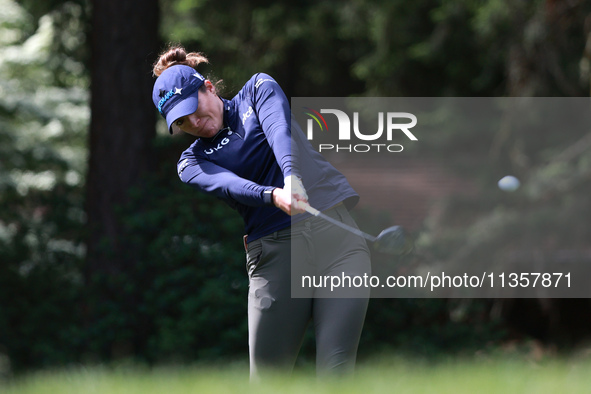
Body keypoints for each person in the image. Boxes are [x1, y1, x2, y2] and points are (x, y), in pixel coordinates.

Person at [151, 45, 371, 378]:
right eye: (181, 121)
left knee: (336, 372)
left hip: (337, 241)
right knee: (268, 382)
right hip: (275, 256)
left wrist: (290, 176)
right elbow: (228, 185)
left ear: (208, 88)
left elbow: (279, 132)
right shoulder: (191, 162)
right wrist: (272, 195)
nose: (194, 122)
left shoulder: (257, 90)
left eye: (193, 108)